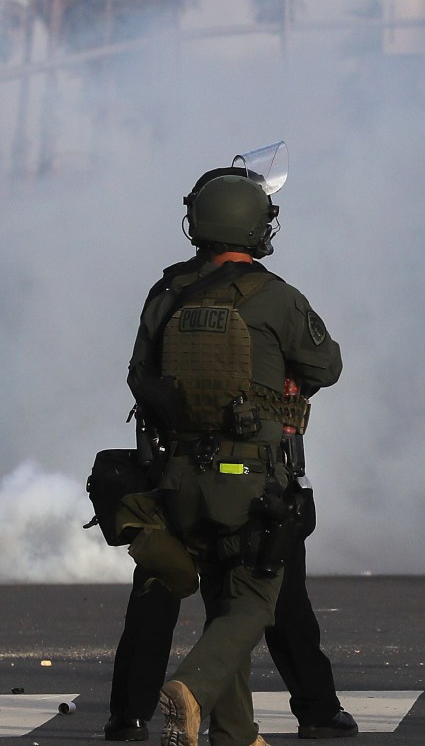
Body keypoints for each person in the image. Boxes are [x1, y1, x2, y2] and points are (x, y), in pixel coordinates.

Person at [124, 162, 343, 746]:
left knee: (222, 600)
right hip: (250, 480)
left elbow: (139, 376)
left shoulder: (166, 293)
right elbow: (327, 366)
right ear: (255, 228)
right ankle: (193, 688)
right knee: (254, 598)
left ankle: (235, 734)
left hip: (177, 477)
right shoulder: (277, 298)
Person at [103, 466, 356, 739]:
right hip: (245, 484)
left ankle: (132, 715)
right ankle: (314, 708)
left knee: (160, 583)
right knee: (259, 594)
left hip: (174, 478)